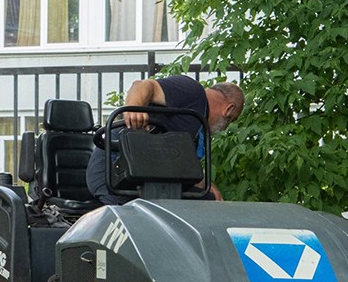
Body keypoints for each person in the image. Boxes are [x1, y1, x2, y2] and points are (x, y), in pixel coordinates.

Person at [86, 75, 244, 204]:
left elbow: (177, 165)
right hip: (114, 170)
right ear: (228, 110)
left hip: (148, 181)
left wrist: (207, 186)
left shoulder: (196, 130)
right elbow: (143, 85)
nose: (225, 127)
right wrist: (134, 109)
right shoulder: (192, 91)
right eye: (230, 121)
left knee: (204, 199)